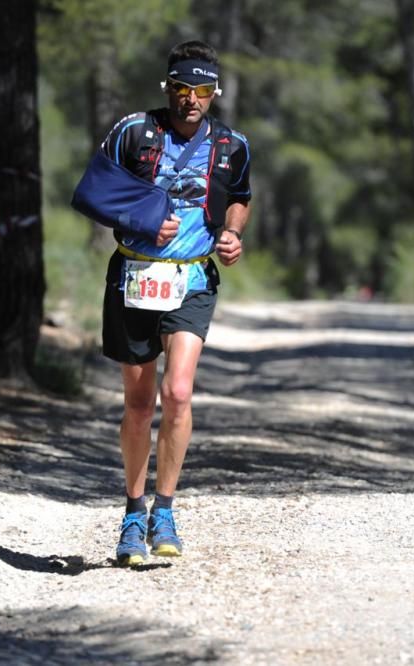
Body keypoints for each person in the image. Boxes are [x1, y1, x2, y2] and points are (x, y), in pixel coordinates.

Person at [96, 40, 252, 566]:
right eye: (183, 89)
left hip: (193, 278)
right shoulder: (134, 132)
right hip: (134, 277)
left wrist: (231, 235)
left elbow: (241, 199)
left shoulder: (232, 146)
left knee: (178, 392)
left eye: (202, 90)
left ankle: (165, 509)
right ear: (169, 88)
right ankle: (133, 512)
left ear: (214, 93)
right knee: (139, 406)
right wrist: (139, 220)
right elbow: (94, 193)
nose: (191, 99)